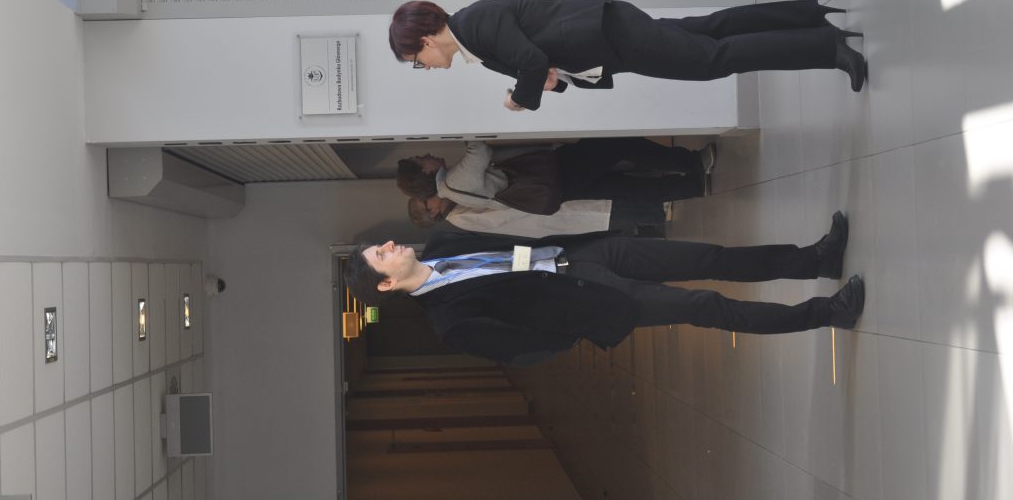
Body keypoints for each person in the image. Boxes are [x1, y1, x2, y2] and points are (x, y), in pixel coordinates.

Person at [345, 212, 864, 366]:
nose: (390, 244)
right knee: (707, 306)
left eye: (381, 245)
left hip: (588, 253)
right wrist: (577, 322)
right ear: (386, 285)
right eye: (381, 255)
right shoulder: (450, 323)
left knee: (708, 257)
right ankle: (827, 313)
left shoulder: (443, 241)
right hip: (592, 299)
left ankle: (815, 260)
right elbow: (524, 351)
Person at [387, 0, 867, 111]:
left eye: (416, 63)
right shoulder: (473, 40)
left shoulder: (476, 25)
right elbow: (539, 63)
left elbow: (530, 64)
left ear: (424, 42)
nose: (425, 68)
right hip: (610, 35)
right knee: (710, 30)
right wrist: (549, 83)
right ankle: (808, 17)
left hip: (612, 36)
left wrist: (521, 99)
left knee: (712, 60)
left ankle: (827, 47)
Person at [396, 137, 716, 210]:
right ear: (423, 172)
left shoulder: (452, 186)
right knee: (617, 145)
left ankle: (692, 187)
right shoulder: (453, 183)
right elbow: (479, 151)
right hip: (554, 175)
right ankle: (693, 164)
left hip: (554, 184)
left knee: (622, 188)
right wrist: (461, 127)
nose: (426, 154)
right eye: (420, 158)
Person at [407, 193, 669, 238]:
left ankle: (656, 213)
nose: (433, 194)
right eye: (427, 199)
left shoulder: (458, 211)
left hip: (539, 213)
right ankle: (657, 214)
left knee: (601, 211)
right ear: (433, 211)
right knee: (603, 214)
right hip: (538, 215)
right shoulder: (460, 217)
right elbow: (499, 216)